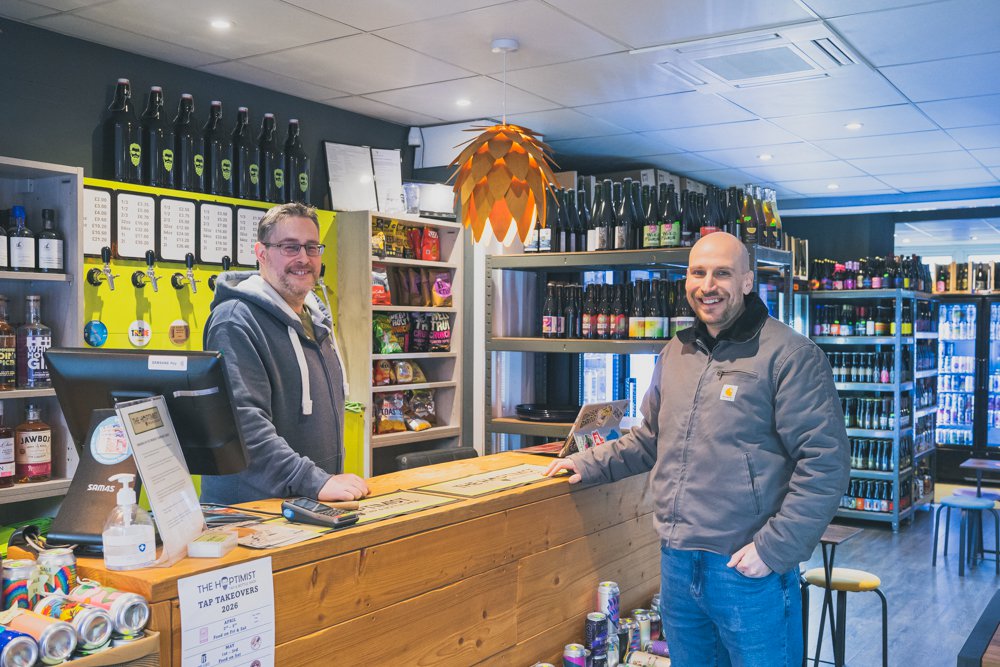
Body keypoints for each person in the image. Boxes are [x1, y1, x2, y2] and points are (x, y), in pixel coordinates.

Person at [546, 231, 849, 666]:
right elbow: (650, 437)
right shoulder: (677, 352)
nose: (708, 285)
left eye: (722, 273)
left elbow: (826, 464)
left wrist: (773, 549)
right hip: (678, 564)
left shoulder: (790, 355)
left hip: (747, 570)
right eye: (698, 273)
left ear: (747, 281)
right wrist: (586, 462)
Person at [200, 202, 368, 505]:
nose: (303, 258)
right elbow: (244, 425)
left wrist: (319, 483)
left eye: (312, 247)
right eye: (290, 247)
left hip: (302, 504)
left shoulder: (315, 319)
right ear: (261, 253)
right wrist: (314, 481)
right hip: (250, 512)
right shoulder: (235, 320)